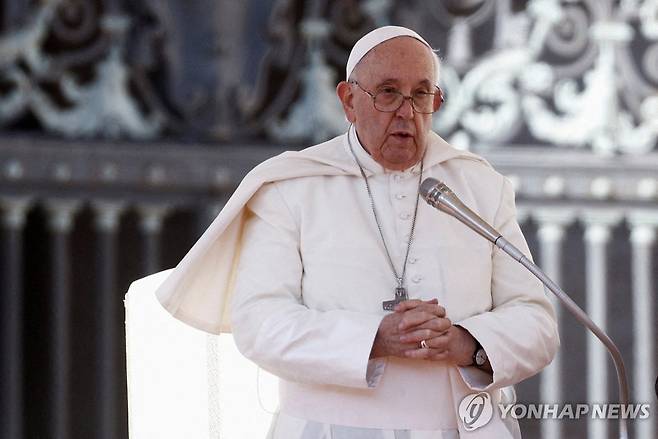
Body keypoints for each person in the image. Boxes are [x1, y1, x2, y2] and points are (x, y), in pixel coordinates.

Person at [153, 26, 559, 438]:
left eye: (421, 94)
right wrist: (374, 338)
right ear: (348, 101)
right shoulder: (292, 187)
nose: (407, 113)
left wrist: (465, 342)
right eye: (387, 92)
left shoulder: (478, 186)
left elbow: (537, 323)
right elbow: (261, 323)